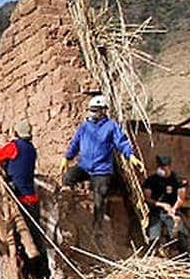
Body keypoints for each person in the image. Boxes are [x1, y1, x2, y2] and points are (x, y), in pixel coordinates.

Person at [59, 95, 143, 225]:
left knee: (101, 194)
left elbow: (122, 142)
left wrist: (130, 155)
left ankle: (97, 226)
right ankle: (68, 212)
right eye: (91, 110)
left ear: (103, 111)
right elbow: (74, 144)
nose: (91, 113)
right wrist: (67, 157)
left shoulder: (111, 126)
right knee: (68, 177)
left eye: (95, 110)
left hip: (102, 170)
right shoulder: (84, 127)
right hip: (84, 167)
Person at [0, 120, 48, 279]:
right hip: (32, 199)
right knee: (35, 236)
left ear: (16, 133)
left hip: (19, 198)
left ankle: (27, 273)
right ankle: (42, 274)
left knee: (17, 236)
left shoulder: (14, 146)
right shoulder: (31, 149)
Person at [143, 155, 189, 253]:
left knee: (181, 234)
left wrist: (173, 209)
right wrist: (161, 205)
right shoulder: (151, 180)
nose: (162, 170)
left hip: (173, 211)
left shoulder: (178, 179)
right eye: (160, 167)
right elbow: (147, 198)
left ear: (169, 167)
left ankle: (182, 257)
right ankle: (154, 254)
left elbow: (180, 199)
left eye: (164, 167)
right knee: (153, 237)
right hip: (156, 211)